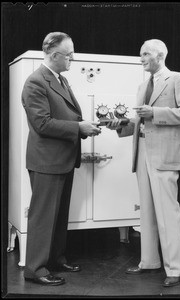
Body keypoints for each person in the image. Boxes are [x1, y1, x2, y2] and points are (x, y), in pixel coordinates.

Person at [107, 39, 180, 287]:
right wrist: (121, 125)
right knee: (146, 211)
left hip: (164, 154)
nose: (141, 58)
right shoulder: (143, 85)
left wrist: (154, 113)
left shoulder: (177, 78)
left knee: (168, 213)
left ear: (160, 55)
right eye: (141, 54)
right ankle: (149, 261)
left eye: (145, 54)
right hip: (142, 150)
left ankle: (175, 269)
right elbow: (139, 122)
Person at [21, 32, 101, 286]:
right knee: (43, 217)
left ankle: (55, 259)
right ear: (54, 55)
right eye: (69, 55)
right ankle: (35, 269)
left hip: (62, 159)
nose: (73, 59)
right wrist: (79, 128)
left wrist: (86, 125)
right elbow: (42, 123)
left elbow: (67, 114)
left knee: (58, 215)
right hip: (46, 162)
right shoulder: (35, 82)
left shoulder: (61, 80)